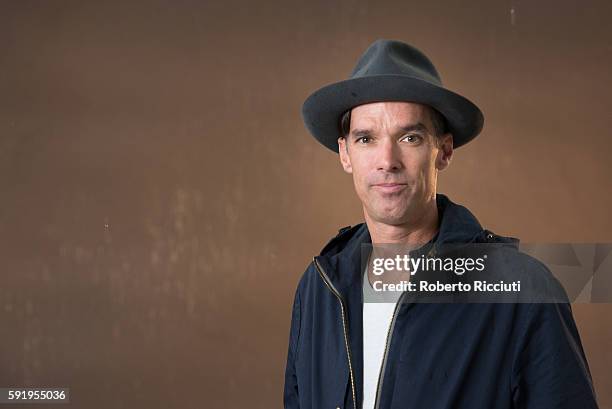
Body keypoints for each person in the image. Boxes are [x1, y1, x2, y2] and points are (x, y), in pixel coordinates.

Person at [283, 39, 599, 409]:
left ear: (443, 151)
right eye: (366, 138)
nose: (387, 160)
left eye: (410, 137)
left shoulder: (524, 292)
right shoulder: (319, 287)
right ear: (345, 153)